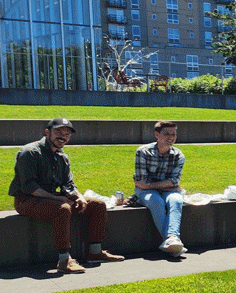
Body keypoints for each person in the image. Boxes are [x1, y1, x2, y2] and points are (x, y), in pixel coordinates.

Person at [8, 117, 124, 273]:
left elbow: (68, 184)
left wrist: (79, 197)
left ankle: (95, 252)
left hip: (51, 199)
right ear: (47, 132)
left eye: (67, 134)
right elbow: (29, 187)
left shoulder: (62, 157)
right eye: (58, 132)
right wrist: (57, 198)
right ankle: (64, 260)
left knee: (97, 205)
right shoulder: (30, 152)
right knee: (63, 208)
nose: (63, 136)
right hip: (26, 200)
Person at [133, 120, 186, 256]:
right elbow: (140, 182)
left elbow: (174, 181)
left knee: (176, 200)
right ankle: (173, 241)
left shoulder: (178, 154)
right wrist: (164, 184)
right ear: (157, 134)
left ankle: (171, 241)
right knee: (156, 201)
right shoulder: (143, 151)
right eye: (167, 133)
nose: (171, 137)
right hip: (147, 192)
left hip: (166, 190)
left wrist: (151, 185)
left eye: (174, 134)